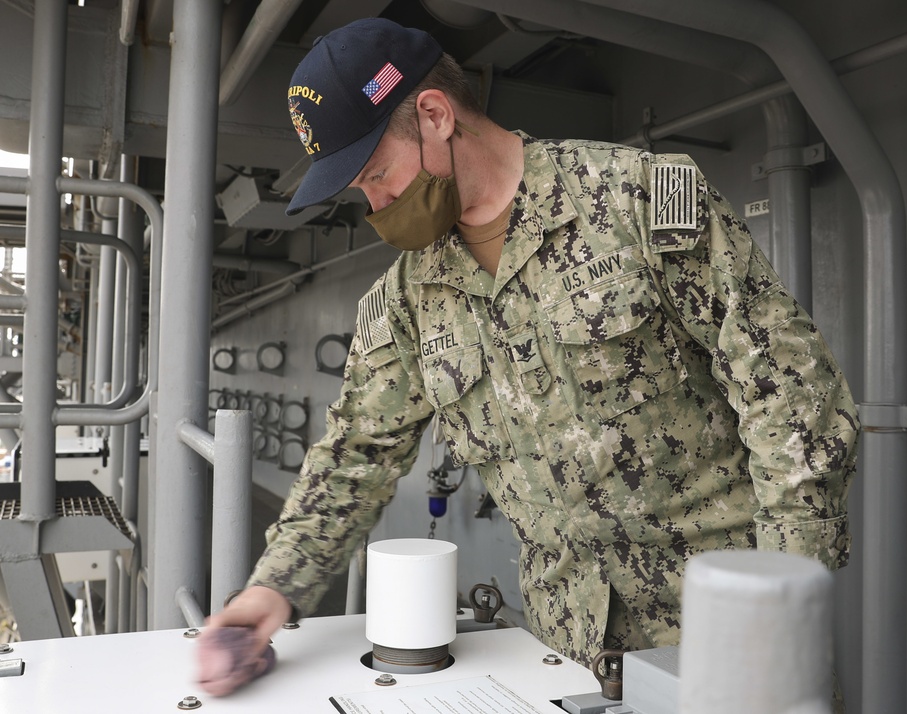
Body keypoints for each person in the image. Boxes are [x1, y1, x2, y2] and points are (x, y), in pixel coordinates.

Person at [204, 15, 858, 689]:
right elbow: (356, 450)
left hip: (725, 635)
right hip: (560, 652)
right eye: (361, 192)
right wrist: (272, 588)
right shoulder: (408, 298)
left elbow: (791, 392)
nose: (375, 205)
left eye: (376, 174)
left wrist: (780, 599)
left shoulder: (634, 200)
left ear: (434, 115)